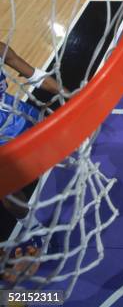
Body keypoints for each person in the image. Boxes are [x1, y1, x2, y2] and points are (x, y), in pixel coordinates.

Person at [1, 40, 65, 283]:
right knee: (7, 192)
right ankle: (34, 228)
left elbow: (35, 75)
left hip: (18, 120)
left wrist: (66, 94)